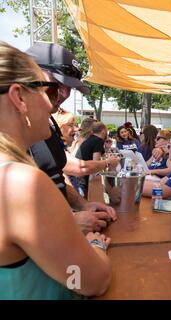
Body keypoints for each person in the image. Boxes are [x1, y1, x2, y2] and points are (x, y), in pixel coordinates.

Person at [0, 41, 111, 299]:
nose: (54, 105)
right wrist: (95, 245)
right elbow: (93, 280)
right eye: (48, 91)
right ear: (19, 97)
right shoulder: (21, 183)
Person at [26, 43, 117, 234]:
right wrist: (68, 223)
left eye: (70, 88)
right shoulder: (10, 131)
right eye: (57, 84)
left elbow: (56, 176)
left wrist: (82, 205)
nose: (65, 94)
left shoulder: (46, 124)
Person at [75, 121, 108, 198]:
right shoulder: (98, 140)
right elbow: (95, 162)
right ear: (103, 131)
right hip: (83, 177)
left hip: (78, 174)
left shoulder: (90, 139)